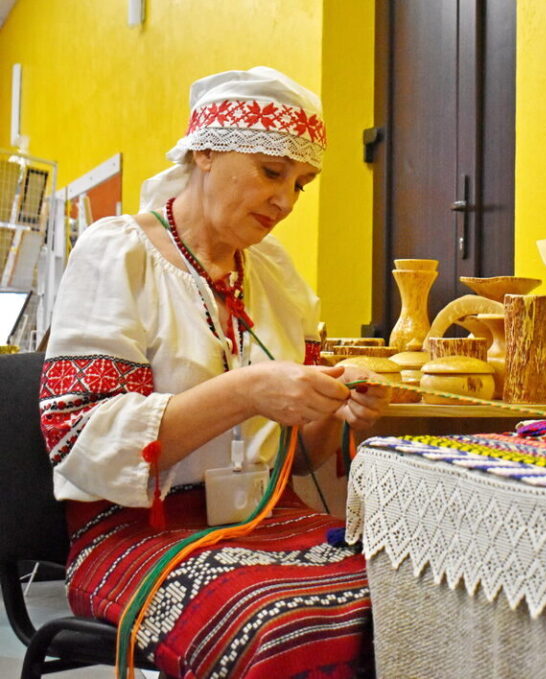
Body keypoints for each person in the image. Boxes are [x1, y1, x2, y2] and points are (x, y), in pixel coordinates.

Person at [38, 66, 389, 678]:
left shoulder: (276, 278)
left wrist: (334, 410)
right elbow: (80, 441)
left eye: (301, 183)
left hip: (268, 515)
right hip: (134, 534)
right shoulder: (118, 252)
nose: (286, 201)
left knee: (405, 595)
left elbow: (302, 461)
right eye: (271, 171)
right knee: (276, 627)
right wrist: (248, 389)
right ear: (204, 150)